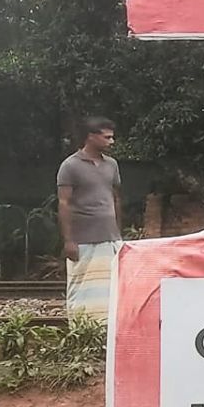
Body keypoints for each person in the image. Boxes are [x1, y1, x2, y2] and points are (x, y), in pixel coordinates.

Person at [57, 116, 122, 318]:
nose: (111, 142)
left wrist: (118, 234)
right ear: (91, 137)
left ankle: (106, 329)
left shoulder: (112, 165)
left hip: (110, 238)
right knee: (82, 286)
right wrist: (69, 241)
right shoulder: (70, 166)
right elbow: (64, 203)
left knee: (111, 287)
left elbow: (116, 197)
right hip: (83, 240)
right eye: (107, 137)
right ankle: (81, 329)